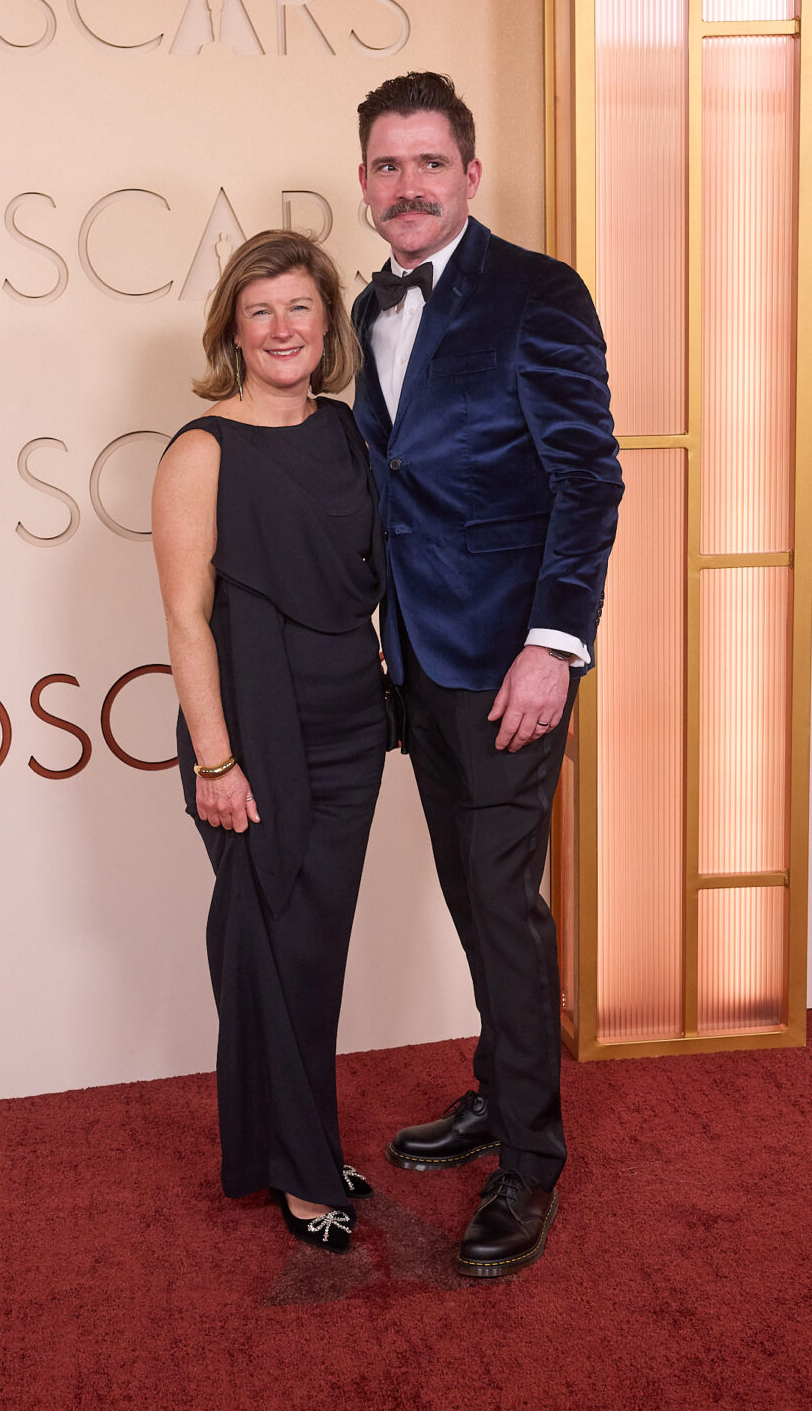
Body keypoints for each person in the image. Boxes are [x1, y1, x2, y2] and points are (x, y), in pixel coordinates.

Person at [351, 71, 623, 1278]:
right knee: (470, 894)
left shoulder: (536, 293)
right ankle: (493, 1086)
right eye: (385, 165)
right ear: (365, 183)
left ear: (470, 173)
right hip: (417, 660)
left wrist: (551, 646)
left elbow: (587, 478)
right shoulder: (368, 303)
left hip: (510, 665)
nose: (407, 186)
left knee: (502, 910)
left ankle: (528, 1161)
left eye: (427, 163)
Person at [151, 230, 387, 1254]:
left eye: (300, 308)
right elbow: (184, 618)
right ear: (232, 332)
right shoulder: (199, 451)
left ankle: (299, 1136)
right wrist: (214, 758)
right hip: (252, 727)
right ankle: (298, 1172)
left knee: (312, 947)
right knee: (271, 940)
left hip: (347, 721)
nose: (282, 328)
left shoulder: (345, 433)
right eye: (261, 312)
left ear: (327, 325)